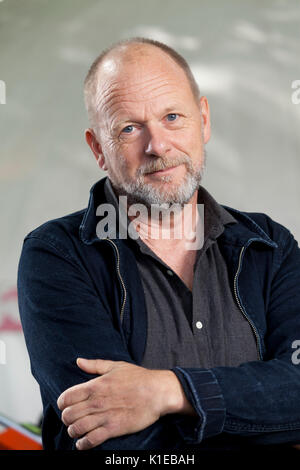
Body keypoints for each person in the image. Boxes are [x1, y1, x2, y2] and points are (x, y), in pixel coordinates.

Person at [17, 37, 300, 452]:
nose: (158, 146)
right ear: (98, 148)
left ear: (203, 121)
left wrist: (169, 391)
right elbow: (113, 441)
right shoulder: (57, 255)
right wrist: (266, 424)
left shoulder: (269, 246)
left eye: (172, 116)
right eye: (129, 128)